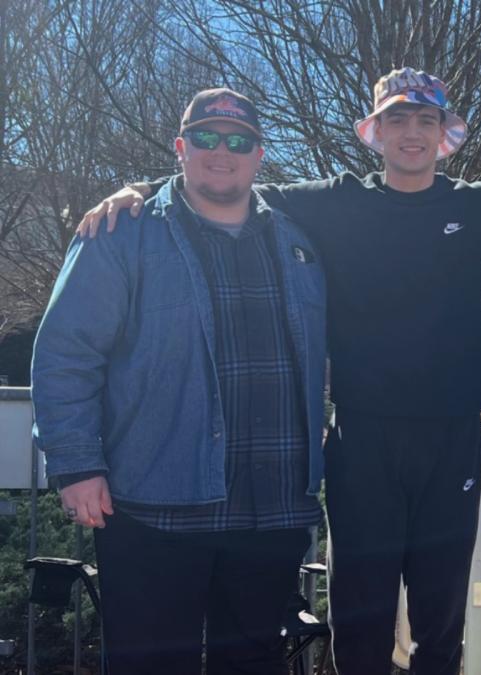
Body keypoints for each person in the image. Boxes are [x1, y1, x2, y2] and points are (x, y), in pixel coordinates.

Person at [74, 68, 481, 675]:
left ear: (443, 135)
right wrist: (141, 189)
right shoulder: (333, 202)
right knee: (360, 617)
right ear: (374, 133)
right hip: (361, 441)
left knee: (441, 619)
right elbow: (222, 184)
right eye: (397, 120)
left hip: (451, 442)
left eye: (425, 120)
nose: (411, 133)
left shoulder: (478, 209)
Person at [32, 88, 326, 673]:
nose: (223, 151)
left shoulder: (299, 242)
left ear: (259, 153)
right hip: (152, 503)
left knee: (251, 664)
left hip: (272, 509)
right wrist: (75, 464)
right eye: (206, 137)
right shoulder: (122, 234)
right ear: (180, 148)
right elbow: (67, 352)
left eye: (238, 140)